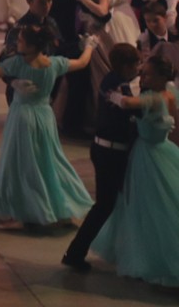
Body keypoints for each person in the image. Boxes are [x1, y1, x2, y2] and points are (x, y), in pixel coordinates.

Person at [0, 24, 96, 228]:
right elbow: (82, 62)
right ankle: (60, 206)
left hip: (22, 117)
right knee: (48, 161)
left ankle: (21, 212)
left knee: (19, 164)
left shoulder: (17, 63)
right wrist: (89, 46)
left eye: (20, 41)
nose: (17, 43)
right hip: (44, 116)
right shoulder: (54, 63)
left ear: (32, 46)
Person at [89, 52, 179, 286]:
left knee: (146, 209)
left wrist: (112, 94)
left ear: (161, 77)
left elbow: (129, 103)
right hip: (165, 151)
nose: (142, 77)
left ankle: (150, 259)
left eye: (147, 74)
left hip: (147, 156)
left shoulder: (153, 98)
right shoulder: (170, 95)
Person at [64, 42, 141, 271]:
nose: (138, 69)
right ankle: (75, 252)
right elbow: (132, 109)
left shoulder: (112, 79)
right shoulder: (116, 86)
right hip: (110, 152)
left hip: (103, 149)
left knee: (109, 204)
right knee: (104, 205)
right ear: (126, 66)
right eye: (136, 65)